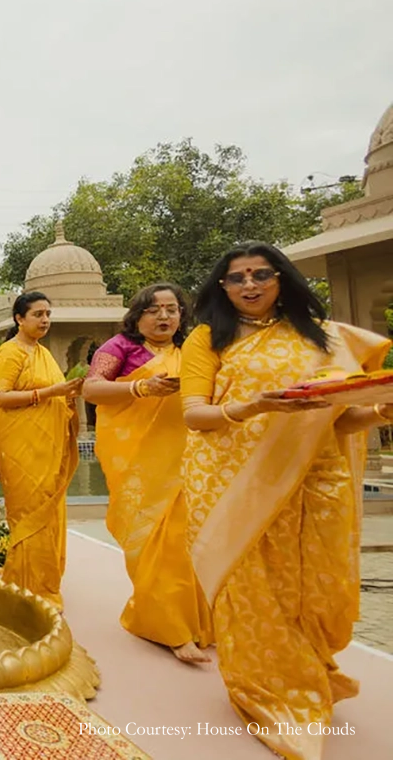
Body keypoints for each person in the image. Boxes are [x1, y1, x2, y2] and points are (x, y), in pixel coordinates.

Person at [180, 242, 391, 760]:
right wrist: (252, 405)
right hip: (233, 483)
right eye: (236, 278)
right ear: (222, 287)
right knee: (255, 588)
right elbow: (193, 415)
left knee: (317, 583)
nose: (249, 286)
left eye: (260, 275)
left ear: (282, 278)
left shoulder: (320, 337)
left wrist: (381, 412)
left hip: (317, 476)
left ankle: (309, 671)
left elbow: (338, 417)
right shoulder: (208, 339)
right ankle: (270, 692)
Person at [82, 283, 212, 664]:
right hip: (139, 469)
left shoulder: (191, 352)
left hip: (187, 464)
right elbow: (92, 389)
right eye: (154, 310)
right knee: (155, 545)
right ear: (137, 316)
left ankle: (195, 623)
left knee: (188, 544)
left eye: (172, 309)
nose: (165, 317)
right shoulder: (119, 348)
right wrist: (141, 387)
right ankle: (169, 629)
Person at [0, 291, 82, 610]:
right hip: (19, 446)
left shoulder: (42, 353)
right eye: (37, 314)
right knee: (29, 513)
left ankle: (43, 584)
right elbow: (0, 397)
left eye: (47, 314)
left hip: (47, 447)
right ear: (19, 319)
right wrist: (52, 392)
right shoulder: (10, 352)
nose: (44, 320)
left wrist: (66, 398)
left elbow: (52, 395)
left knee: (48, 511)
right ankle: (25, 586)